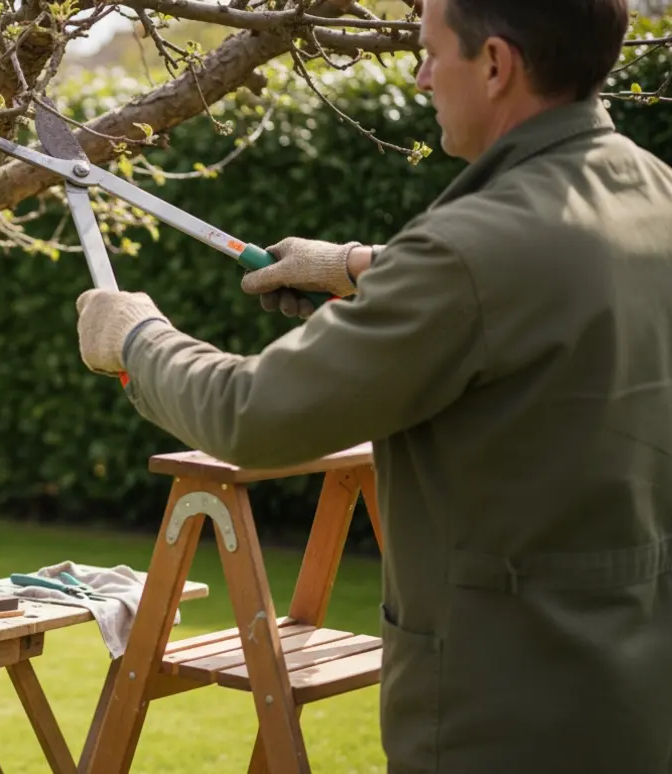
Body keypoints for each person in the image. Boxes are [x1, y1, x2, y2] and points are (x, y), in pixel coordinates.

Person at [74, 0, 672, 772]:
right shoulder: (652, 192)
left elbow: (251, 415)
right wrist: (356, 266)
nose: (420, 76)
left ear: (495, 65)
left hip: (503, 719)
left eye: (429, 52)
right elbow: (542, 272)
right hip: (637, 701)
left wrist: (136, 340)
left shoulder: (469, 254)